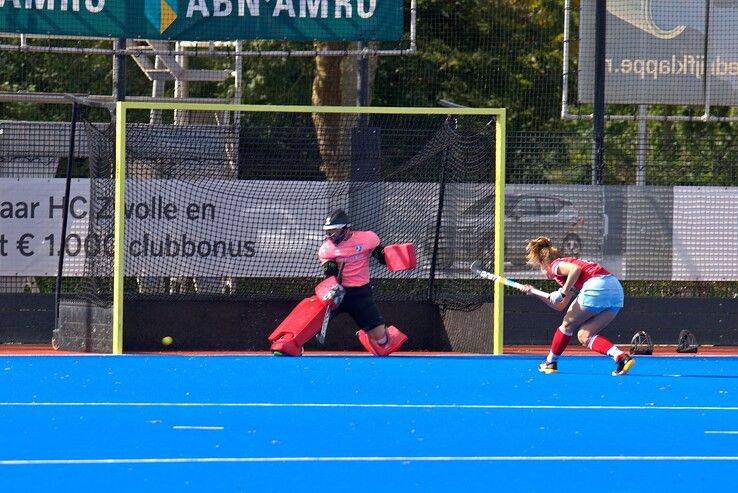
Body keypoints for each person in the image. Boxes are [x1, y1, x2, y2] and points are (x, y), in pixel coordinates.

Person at [522, 236, 634, 376]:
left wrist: (562, 293)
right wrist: (535, 292)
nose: (542, 271)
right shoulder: (566, 278)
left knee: (567, 325)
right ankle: (621, 357)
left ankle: (550, 361)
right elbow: (560, 306)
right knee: (584, 335)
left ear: (543, 263)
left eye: (539, 267)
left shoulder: (555, 265)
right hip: (615, 290)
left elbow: (575, 270)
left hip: (596, 285)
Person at [318, 208, 407, 355]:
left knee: (383, 342)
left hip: (361, 294)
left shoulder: (367, 238)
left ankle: (372, 335)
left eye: (335, 231)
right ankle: (292, 342)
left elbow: (381, 256)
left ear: (346, 230)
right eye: (329, 232)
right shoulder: (327, 248)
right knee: (313, 319)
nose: (331, 236)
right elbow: (330, 270)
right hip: (338, 293)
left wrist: (391, 256)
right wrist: (331, 280)